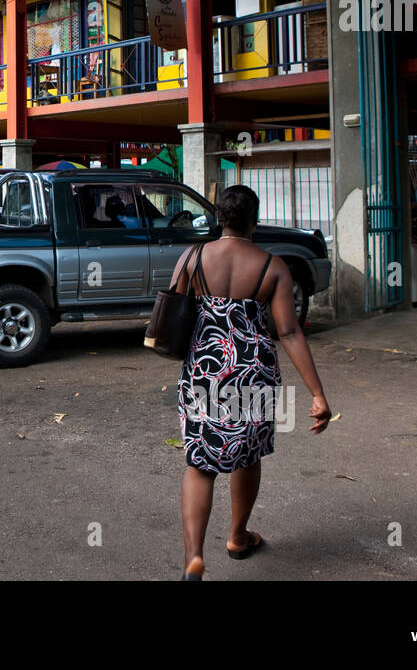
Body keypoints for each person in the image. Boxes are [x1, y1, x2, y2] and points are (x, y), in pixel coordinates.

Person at [169, 185, 331, 581]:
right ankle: (238, 537)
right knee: (247, 454)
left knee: (199, 463)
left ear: (219, 219)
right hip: (251, 372)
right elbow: (289, 331)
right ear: (253, 222)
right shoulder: (272, 266)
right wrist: (317, 394)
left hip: (204, 370)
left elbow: (172, 309)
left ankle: (193, 559)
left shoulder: (191, 257)